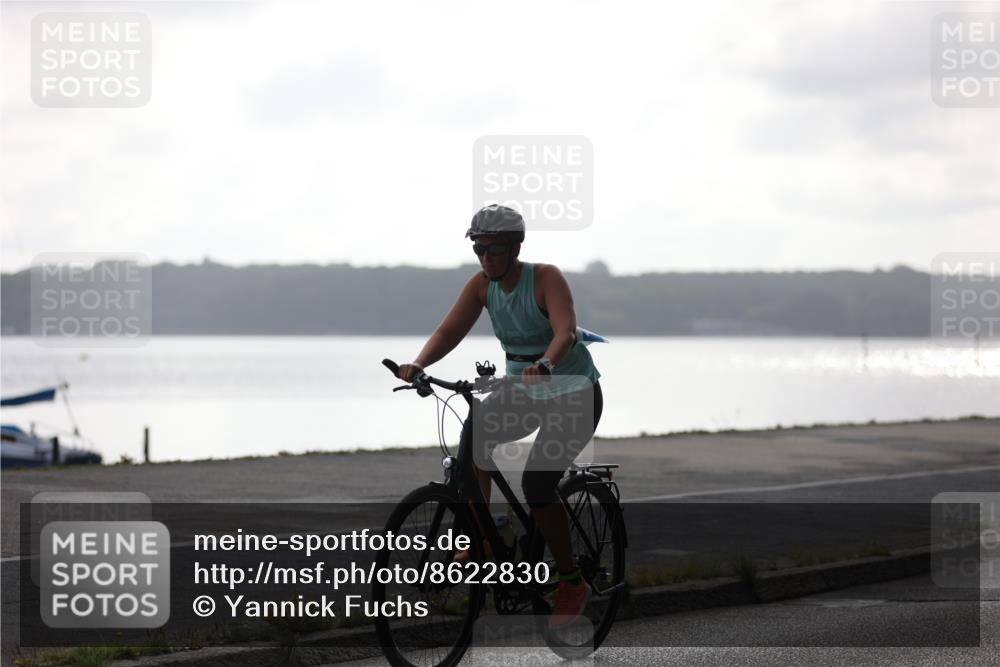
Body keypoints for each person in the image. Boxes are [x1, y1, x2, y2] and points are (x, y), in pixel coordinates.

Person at [397, 204, 604, 627]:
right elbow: (448, 331)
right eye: (479, 249)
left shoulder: (545, 278)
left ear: (516, 247)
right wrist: (420, 364)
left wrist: (545, 364)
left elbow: (565, 330)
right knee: (474, 442)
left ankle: (571, 579)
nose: (486, 257)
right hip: (524, 393)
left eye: (494, 248)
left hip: (573, 394)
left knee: (537, 481)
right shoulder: (481, 286)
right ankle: (486, 539)